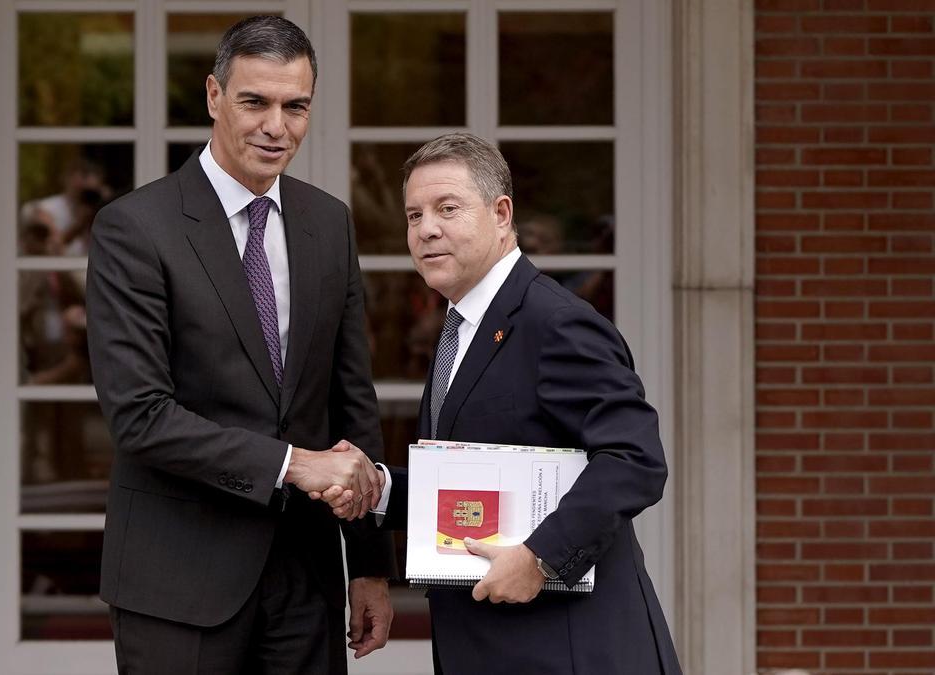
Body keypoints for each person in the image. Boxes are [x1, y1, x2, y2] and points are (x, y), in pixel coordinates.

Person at [86, 16, 395, 674]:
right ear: (213, 96)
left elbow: (351, 399)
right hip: (178, 579)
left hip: (306, 578)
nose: (275, 126)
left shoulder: (327, 222)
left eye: (295, 106)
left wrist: (368, 562)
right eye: (255, 101)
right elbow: (141, 415)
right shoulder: (135, 228)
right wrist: (292, 464)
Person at [313, 133, 681, 674]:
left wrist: (539, 558)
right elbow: (480, 483)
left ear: (502, 213)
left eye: (447, 209)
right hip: (495, 647)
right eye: (414, 216)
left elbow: (634, 459)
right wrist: (381, 489)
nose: (426, 229)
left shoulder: (555, 322)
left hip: (569, 649)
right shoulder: (460, 328)